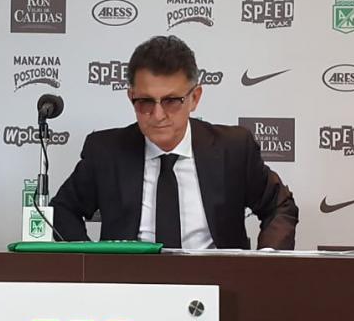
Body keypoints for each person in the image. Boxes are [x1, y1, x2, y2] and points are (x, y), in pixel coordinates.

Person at [52, 35, 298, 249]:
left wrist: (265, 263)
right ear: (131, 97)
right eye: (145, 102)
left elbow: (280, 206)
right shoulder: (106, 152)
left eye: (171, 101)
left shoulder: (233, 149)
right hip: (131, 281)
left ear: (195, 98)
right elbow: (61, 210)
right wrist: (91, 262)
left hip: (217, 281)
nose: (158, 115)